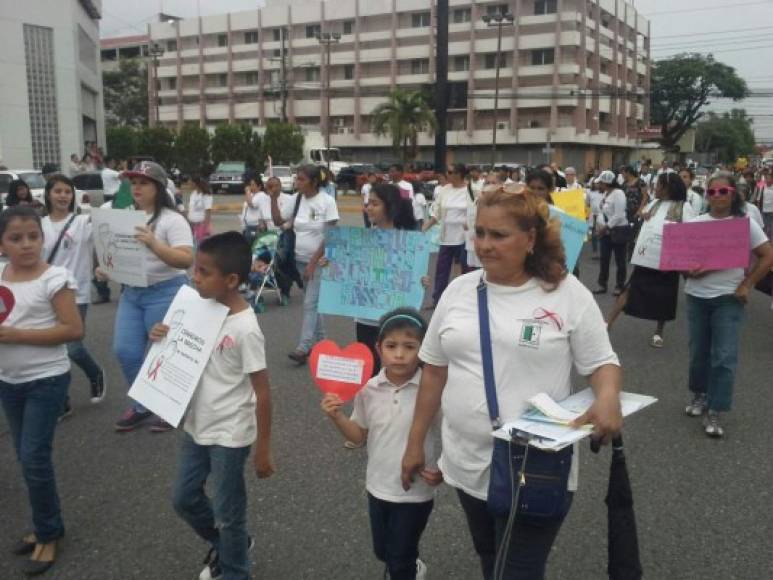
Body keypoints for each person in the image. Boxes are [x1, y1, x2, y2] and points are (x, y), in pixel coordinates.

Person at [401, 187, 622, 580]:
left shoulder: (567, 294)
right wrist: (416, 442)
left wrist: (607, 398)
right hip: (466, 461)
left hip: (535, 466)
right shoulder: (458, 291)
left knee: (516, 570)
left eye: (498, 235)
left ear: (532, 238)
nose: (484, 245)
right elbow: (434, 370)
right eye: (479, 232)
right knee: (489, 555)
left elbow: (602, 362)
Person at [152, 232, 274, 580]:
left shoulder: (246, 328)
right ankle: (230, 544)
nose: (195, 277)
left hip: (230, 433)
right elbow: (177, 358)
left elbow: (262, 392)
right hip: (195, 425)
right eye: (196, 270)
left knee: (228, 511)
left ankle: (236, 571)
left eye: (204, 272)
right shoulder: (197, 307)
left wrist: (264, 448)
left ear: (231, 280)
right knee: (184, 498)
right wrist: (161, 336)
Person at [321, 308, 440, 580]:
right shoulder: (369, 389)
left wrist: (444, 467)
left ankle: (406, 568)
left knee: (398, 558)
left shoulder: (432, 390)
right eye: (391, 346)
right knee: (383, 551)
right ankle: (409, 564)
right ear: (378, 348)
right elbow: (358, 436)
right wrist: (336, 416)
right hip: (377, 487)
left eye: (410, 346)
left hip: (415, 491)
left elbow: (453, 431)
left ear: (423, 350)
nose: (399, 354)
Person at [0, 206, 84, 576]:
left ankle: (49, 533)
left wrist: (19, 335)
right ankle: (43, 524)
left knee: (34, 458)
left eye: (33, 236)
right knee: (24, 457)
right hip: (9, 381)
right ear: (2, 242)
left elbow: (72, 329)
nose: (27, 245)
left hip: (46, 381)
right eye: (16, 238)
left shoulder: (56, 278)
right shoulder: (0, 274)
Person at [104, 161, 193, 433]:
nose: (137, 187)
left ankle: (169, 407)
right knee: (126, 351)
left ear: (158, 186)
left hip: (165, 291)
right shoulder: (125, 216)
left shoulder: (172, 219)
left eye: (143, 182)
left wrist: (154, 243)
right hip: (132, 293)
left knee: (163, 355)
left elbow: (186, 258)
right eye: (134, 183)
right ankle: (143, 405)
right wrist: (106, 267)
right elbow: (117, 252)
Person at [683, 172, 773, 438]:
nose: (717, 196)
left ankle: (716, 408)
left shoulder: (744, 224)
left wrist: (747, 284)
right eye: (712, 192)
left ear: (733, 193)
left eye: (723, 191)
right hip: (697, 296)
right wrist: (689, 271)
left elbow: (767, 256)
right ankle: (699, 395)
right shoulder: (696, 223)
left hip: (728, 298)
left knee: (723, 355)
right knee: (699, 351)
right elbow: (682, 261)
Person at [606, 172, 698, 347]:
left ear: (667, 188)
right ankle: (608, 323)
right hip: (647, 257)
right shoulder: (655, 203)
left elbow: (691, 232)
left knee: (665, 296)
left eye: (659, 185)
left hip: (667, 260)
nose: (655, 187)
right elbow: (640, 213)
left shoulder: (684, 207)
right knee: (629, 288)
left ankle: (658, 332)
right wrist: (644, 210)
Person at [41, 175, 106, 418]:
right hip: (46, 294)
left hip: (76, 293)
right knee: (53, 351)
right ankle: (62, 401)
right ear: (48, 194)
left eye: (67, 192)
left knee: (73, 349)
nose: (63, 196)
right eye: (58, 191)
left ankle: (95, 372)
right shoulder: (40, 225)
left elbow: (105, 233)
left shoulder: (81, 222)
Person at [269, 164, 339, 365]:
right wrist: (273, 198)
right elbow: (278, 220)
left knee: (309, 303)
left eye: (301, 179)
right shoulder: (296, 199)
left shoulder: (327, 201)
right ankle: (323, 342)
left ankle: (304, 347)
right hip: (298, 260)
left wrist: (313, 262)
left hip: (319, 261)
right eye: (296, 179)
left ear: (314, 181)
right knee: (314, 304)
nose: (297, 182)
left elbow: (331, 235)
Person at [356, 183, 419, 375]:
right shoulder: (359, 239)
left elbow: (414, 276)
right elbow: (351, 273)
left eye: (374, 203)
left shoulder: (408, 241)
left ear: (389, 206)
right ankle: (368, 404)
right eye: (368, 203)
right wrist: (330, 267)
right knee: (368, 369)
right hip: (364, 317)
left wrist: (420, 281)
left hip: (393, 317)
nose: (368, 208)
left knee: (395, 367)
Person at [422, 164, 472, 304]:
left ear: (459, 174)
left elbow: (476, 211)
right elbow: (436, 212)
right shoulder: (445, 190)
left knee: (466, 270)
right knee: (441, 270)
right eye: (447, 172)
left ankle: (466, 300)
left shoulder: (471, 190)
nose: (447, 174)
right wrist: (425, 226)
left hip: (464, 237)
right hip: (446, 237)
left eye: (450, 172)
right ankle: (438, 300)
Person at [594, 170, 629, 296]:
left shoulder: (618, 194)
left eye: (601, 183)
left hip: (618, 231)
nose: (599, 185)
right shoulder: (606, 194)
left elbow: (619, 215)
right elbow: (602, 211)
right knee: (604, 260)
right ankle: (602, 284)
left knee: (620, 261)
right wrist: (600, 226)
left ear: (606, 183)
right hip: (606, 233)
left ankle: (620, 286)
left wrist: (605, 227)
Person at [187, 176, 214, 243]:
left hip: (201, 225)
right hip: (192, 224)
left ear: (195, 184)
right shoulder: (193, 194)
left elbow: (208, 211)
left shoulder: (206, 195)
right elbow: (191, 208)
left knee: (201, 244)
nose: (189, 185)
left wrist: (206, 227)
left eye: (190, 183)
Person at [241, 172, 264, 246]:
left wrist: (247, 191)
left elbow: (251, 204)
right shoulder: (251, 195)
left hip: (255, 227)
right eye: (250, 185)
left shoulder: (261, 195)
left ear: (259, 186)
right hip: (247, 226)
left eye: (253, 185)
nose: (251, 187)